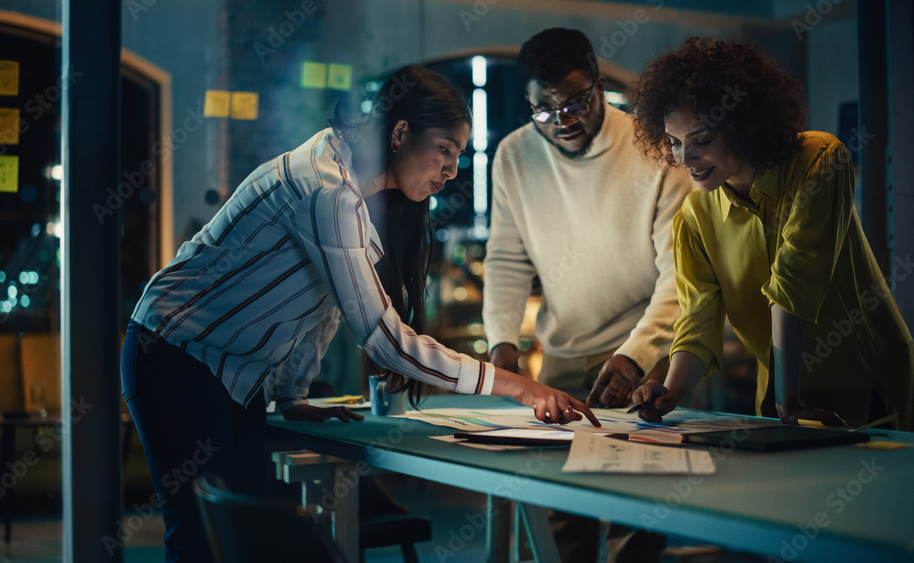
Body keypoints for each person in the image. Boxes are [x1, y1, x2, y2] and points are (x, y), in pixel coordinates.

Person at [121, 65, 600, 563]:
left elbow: (318, 308)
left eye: (457, 156)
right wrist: (517, 384)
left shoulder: (354, 184)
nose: (452, 171)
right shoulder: (329, 188)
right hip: (173, 352)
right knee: (204, 540)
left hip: (228, 371)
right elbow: (382, 338)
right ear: (399, 133)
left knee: (245, 536)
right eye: (445, 150)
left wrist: (292, 394)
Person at [628, 37, 914, 432]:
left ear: (743, 124)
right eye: (675, 143)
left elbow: (792, 284)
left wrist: (790, 400)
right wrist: (670, 393)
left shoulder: (819, 160)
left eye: (702, 140)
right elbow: (698, 321)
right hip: (780, 397)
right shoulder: (695, 216)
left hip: (864, 385)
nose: (684, 159)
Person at [482, 28, 692, 563]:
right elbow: (507, 258)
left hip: (643, 351)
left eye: (575, 102)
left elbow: (680, 276)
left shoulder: (653, 146)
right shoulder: (512, 156)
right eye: (545, 110)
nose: (564, 120)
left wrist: (635, 356)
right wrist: (502, 342)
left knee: (635, 518)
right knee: (557, 515)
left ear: (599, 84)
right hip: (561, 355)